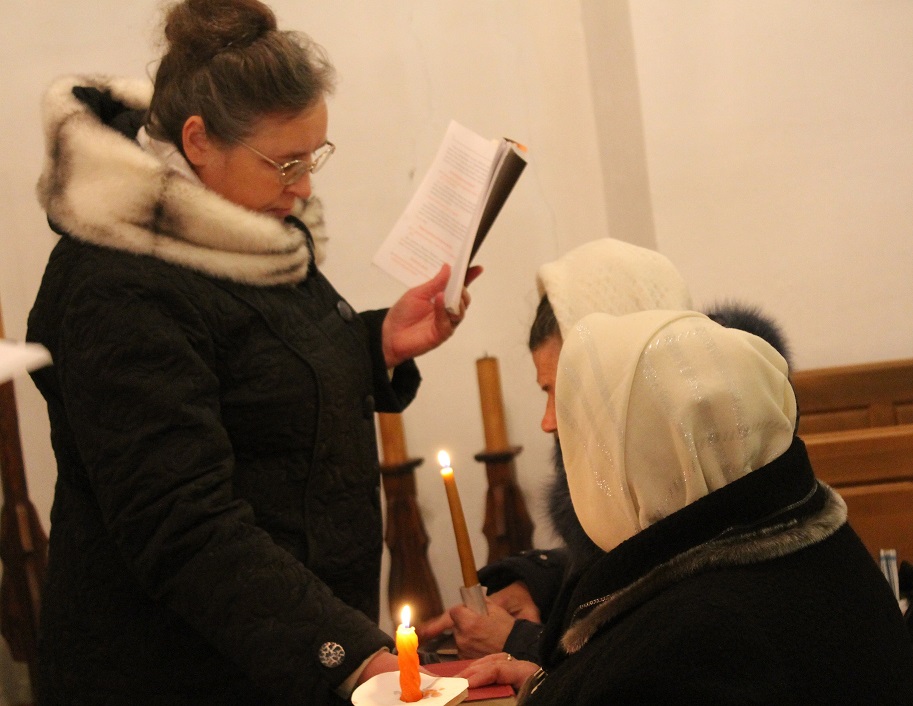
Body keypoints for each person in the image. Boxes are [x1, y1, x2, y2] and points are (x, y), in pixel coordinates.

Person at [26, 1, 478, 703]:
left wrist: (375, 344)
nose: (303, 187)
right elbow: (182, 523)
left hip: (283, 654)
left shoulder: (241, 225)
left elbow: (256, 369)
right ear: (200, 140)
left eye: (313, 158)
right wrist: (349, 653)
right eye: (286, 162)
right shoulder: (117, 282)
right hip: (174, 673)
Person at [461, 310, 913, 704]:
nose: (550, 426)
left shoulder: (689, 643)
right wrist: (552, 684)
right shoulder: (803, 539)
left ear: (643, 446)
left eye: (588, 432)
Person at [419, 237, 694, 660]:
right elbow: (620, 570)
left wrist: (521, 644)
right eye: (546, 393)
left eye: (565, 393)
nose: (548, 421)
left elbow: (660, 657)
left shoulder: (708, 463)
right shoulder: (632, 456)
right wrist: (539, 584)